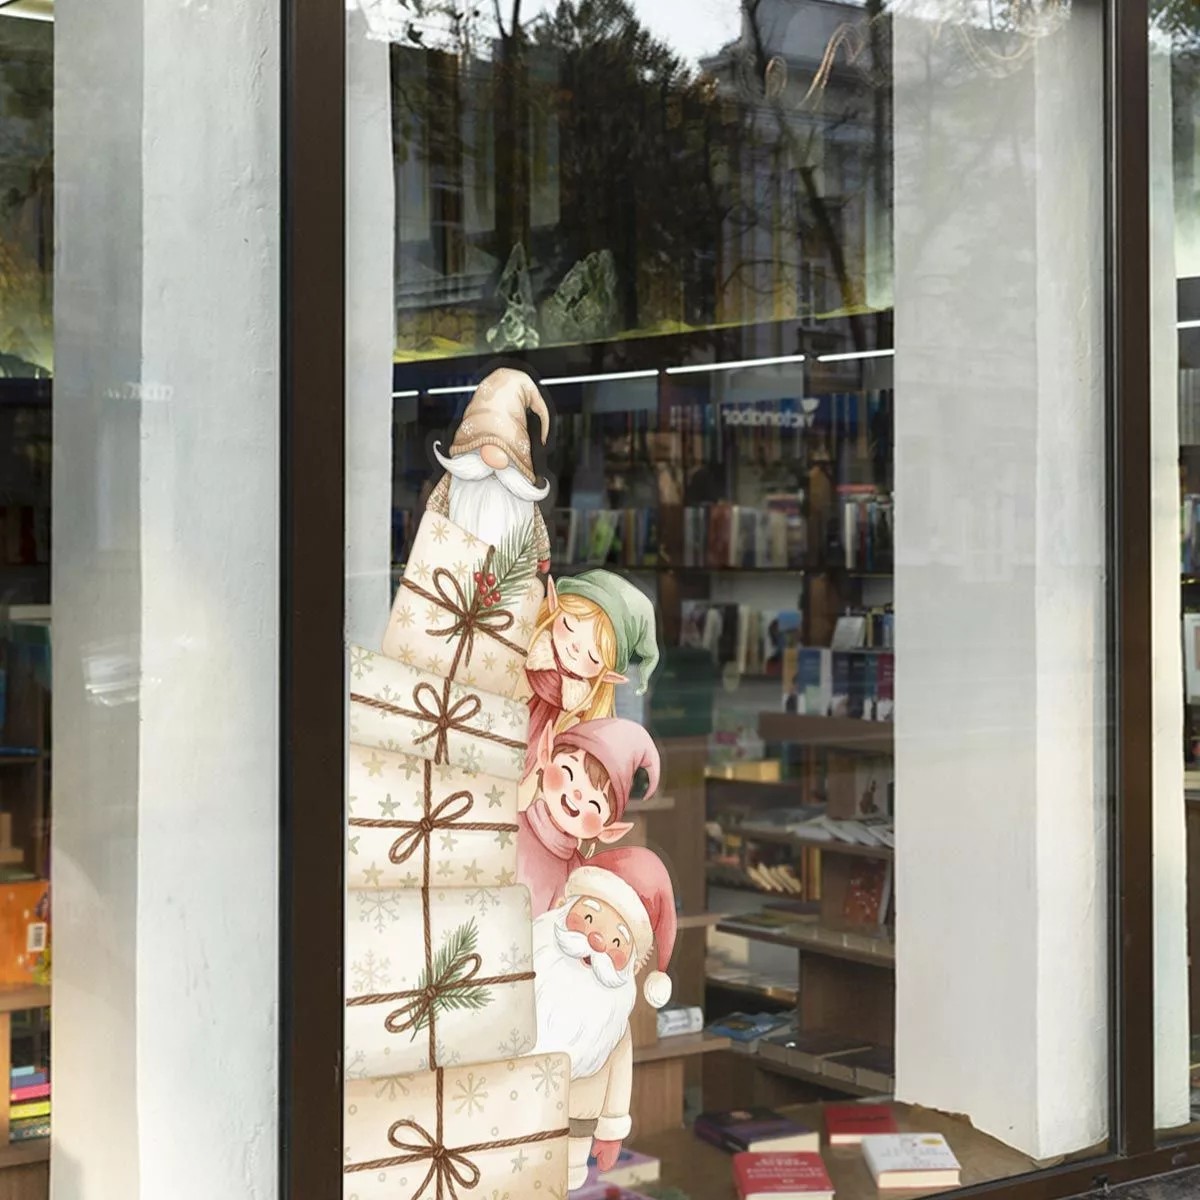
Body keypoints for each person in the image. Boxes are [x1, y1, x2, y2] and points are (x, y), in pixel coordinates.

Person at [531, 847, 677, 1191]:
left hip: (575, 1123)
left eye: (616, 941)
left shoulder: (610, 1023)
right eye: (589, 918)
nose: (596, 942)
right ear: (563, 907)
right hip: (506, 1111)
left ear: (631, 965)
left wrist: (611, 1131)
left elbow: (620, 1073)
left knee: (561, 1186)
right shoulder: (531, 967)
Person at [519, 571, 660, 774]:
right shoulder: (520, 658)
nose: (576, 646)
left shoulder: (581, 718)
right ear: (554, 605)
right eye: (569, 625)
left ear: (609, 675)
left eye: (593, 656)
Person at [517, 717, 660, 916]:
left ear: (609, 832)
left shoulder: (579, 876)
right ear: (545, 753)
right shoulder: (509, 828)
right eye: (568, 772)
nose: (577, 795)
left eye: (594, 804)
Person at [427, 366, 553, 569]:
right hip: (458, 573)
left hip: (511, 578)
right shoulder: (456, 479)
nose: (495, 461)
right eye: (484, 446)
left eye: (506, 450)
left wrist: (542, 553)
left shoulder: (519, 493)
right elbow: (434, 509)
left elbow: (536, 524)